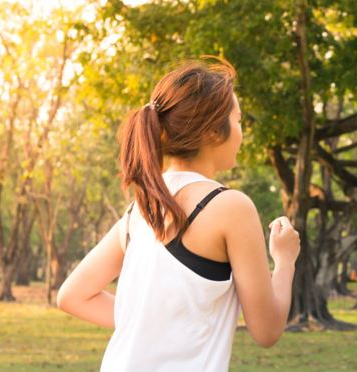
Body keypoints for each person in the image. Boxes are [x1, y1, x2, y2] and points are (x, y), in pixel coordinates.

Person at [56, 56, 300, 372]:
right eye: (238, 120)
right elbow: (267, 331)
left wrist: (148, 323)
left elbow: (73, 295)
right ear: (214, 132)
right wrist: (284, 261)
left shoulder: (139, 209)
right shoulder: (231, 207)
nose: (241, 132)